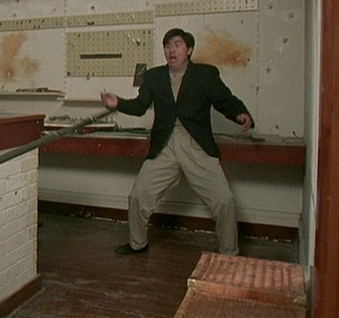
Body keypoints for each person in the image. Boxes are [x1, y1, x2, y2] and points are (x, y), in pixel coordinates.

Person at [100, 28, 253, 256]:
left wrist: (240, 114)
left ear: (189, 50)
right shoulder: (153, 77)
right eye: (167, 46)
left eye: (177, 45)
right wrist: (118, 103)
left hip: (196, 144)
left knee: (224, 200)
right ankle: (137, 243)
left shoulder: (205, 74)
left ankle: (229, 253)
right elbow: (140, 106)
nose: (171, 50)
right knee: (139, 196)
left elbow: (224, 100)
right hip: (165, 145)